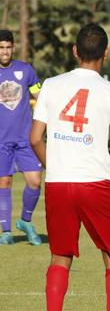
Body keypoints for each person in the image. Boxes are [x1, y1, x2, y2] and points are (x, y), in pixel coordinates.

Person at [30, 24, 110, 311]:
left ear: (75, 51)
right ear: (106, 54)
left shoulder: (50, 85)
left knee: (60, 256)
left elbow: (35, 138)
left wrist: (57, 167)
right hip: (95, 184)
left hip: (59, 184)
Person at [0, 29, 43, 246]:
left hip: (25, 139)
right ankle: (6, 231)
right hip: (1, 141)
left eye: (8, 47)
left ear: (13, 48)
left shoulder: (26, 70)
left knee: (35, 182)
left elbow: (39, 96)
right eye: (1, 48)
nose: (5, 51)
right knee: (4, 182)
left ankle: (25, 221)